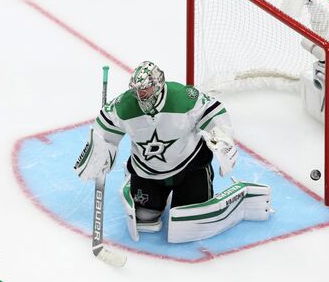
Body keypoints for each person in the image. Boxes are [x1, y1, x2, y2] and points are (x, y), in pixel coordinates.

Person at [74, 61, 271, 242]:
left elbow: (214, 111)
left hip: (189, 167)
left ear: (159, 84)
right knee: (145, 218)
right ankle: (147, 190)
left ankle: (189, 191)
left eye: (146, 90)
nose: (141, 96)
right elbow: (103, 131)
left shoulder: (183, 97)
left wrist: (222, 138)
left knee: (189, 218)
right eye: (137, 91)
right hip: (147, 171)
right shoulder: (124, 106)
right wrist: (100, 153)